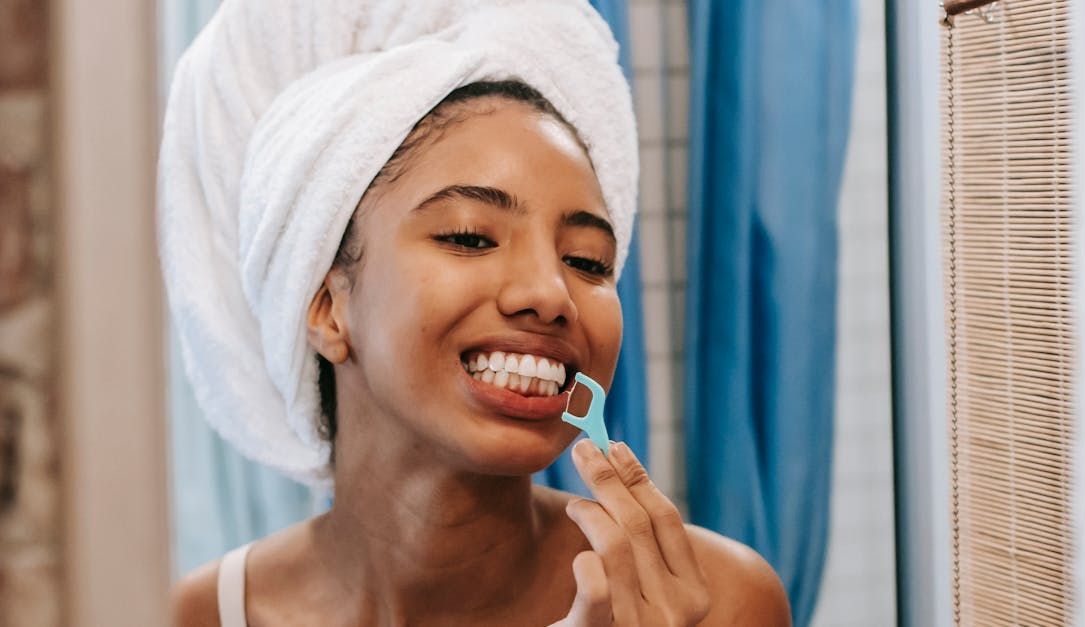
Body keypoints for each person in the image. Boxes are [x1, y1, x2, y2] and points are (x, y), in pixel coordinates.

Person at [161, 3, 789, 625]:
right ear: (327, 308)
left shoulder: (718, 604)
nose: (551, 293)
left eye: (588, 260)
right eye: (468, 237)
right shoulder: (197, 616)